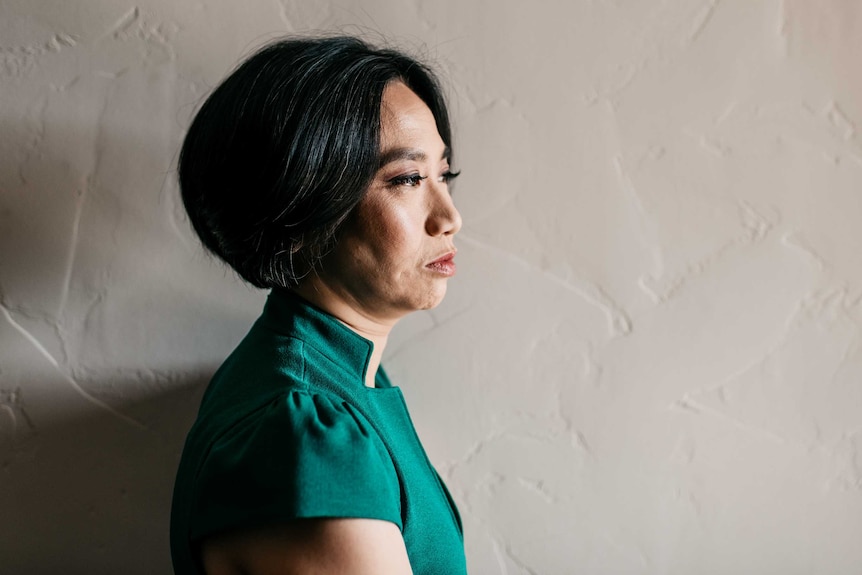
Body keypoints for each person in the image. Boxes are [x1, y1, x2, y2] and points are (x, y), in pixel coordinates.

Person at [169, 36, 467, 574]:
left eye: (443, 174)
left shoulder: (340, 379)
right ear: (299, 210)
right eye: (407, 179)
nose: (448, 216)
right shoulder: (305, 432)